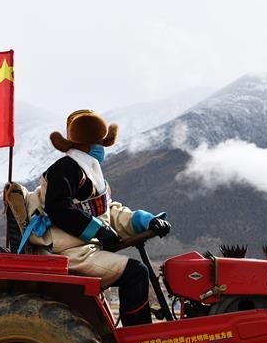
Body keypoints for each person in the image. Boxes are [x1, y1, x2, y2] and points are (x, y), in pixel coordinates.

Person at [42, 109, 171, 326]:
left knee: (136, 270)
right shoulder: (65, 169)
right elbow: (58, 208)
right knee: (136, 273)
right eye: (98, 143)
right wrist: (98, 230)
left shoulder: (90, 172)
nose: (101, 149)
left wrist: (146, 221)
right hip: (70, 252)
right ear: (86, 144)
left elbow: (108, 211)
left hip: (87, 249)